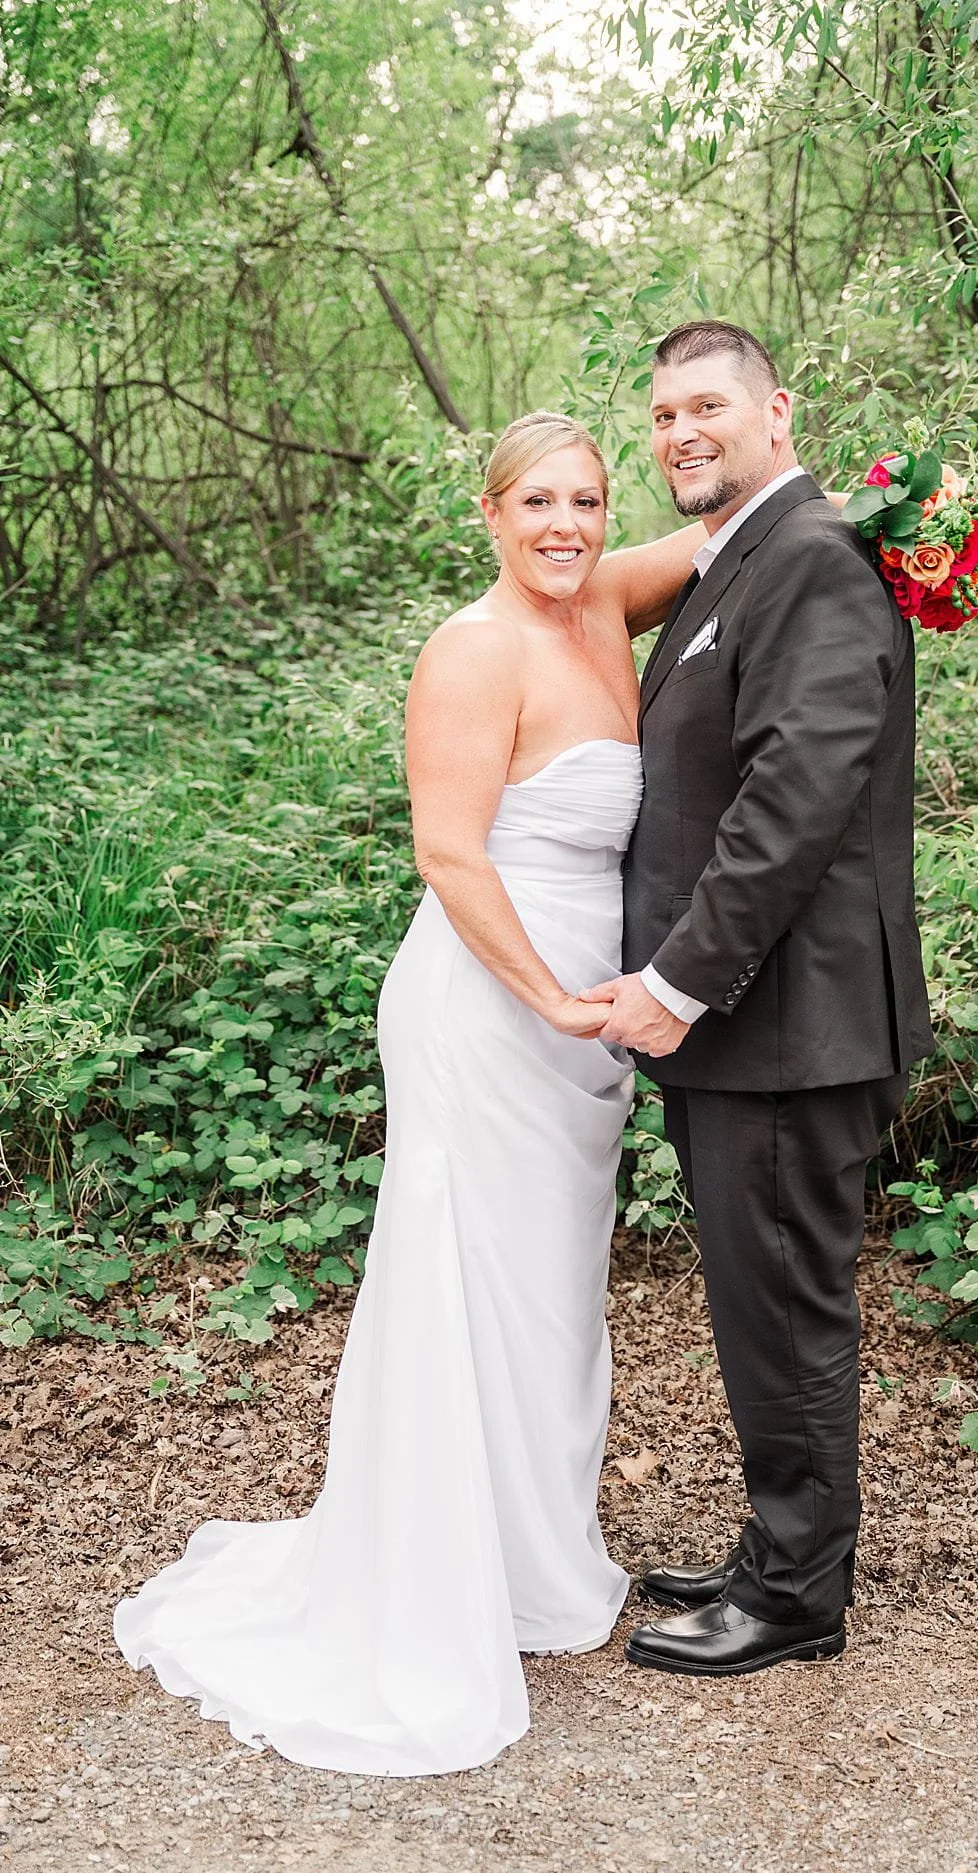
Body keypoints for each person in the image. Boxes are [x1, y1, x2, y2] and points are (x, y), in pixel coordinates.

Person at [117, 412, 715, 1774]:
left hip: (584, 1021)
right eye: (537, 503)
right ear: (489, 513)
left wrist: (904, 515)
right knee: (464, 1278)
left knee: (550, 1296)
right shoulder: (473, 648)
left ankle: (533, 1560)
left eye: (585, 499)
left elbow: (741, 527)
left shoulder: (608, 599)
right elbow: (450, 856)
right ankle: (436, 1583)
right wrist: (553, 996)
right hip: (485, 1001)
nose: (564, 524)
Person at [591, 320, 933, 1678]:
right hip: (758, 1029)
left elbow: (796, 799)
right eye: (666, 413)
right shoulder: (741, 565)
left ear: (777, 411)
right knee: (759, 1301)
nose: (683, 432)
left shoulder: (810, 564)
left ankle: (796, 1597)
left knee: (786, 1310)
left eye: (709, 406)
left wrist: (680, 979)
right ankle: (775, 1551)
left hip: (788, 1023)